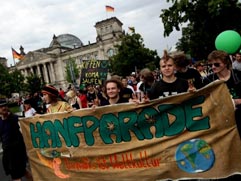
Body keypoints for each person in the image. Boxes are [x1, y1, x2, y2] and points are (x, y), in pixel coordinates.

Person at [204, 50, 241, 138]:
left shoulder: (238, 75)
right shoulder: (208, 80)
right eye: (210, 65)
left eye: (216, 64)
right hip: (222, 119)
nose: (213, 67)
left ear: (225, 63)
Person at [0, 99, 32, 181]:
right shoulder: (0, 121)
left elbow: (28, 126)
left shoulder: (16, 119)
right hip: (7, 153)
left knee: (16, 176)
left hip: (17, 152)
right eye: (1, 107)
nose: (4, 108)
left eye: (5, 106)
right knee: (24, 172)